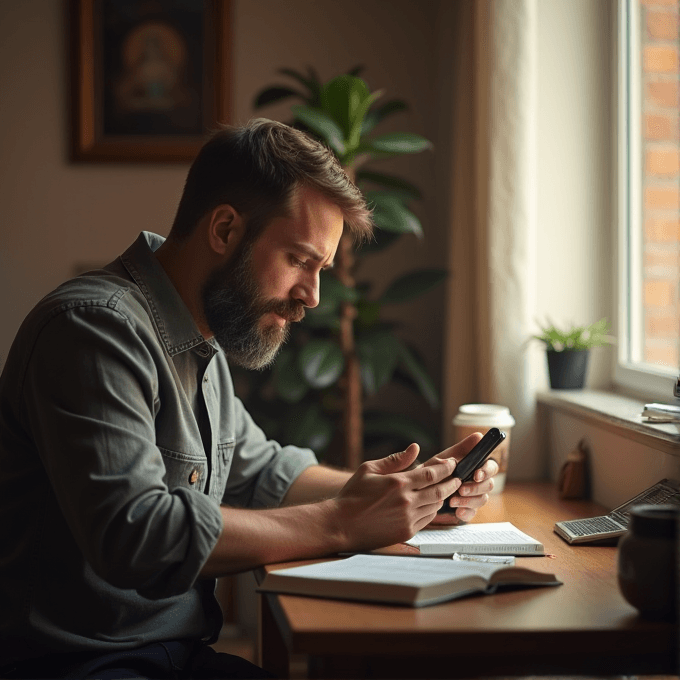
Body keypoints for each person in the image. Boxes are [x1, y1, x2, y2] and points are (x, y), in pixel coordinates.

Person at [0, 119, 497, 679]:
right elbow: (138, 533)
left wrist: (409, 495)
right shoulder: (94, 330)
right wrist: (342, 522)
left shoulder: (197, 335)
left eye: (321, 270)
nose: (312, 296)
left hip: (169, 657)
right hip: (80, 664)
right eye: (300, 260)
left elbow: (259, 471)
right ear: (225, 230)